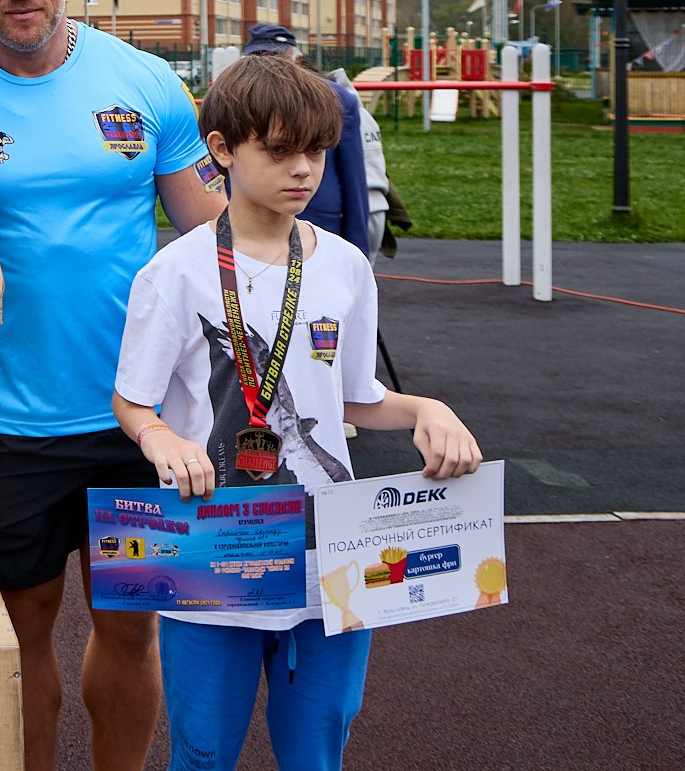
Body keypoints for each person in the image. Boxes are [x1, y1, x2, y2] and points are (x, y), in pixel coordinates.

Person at [111, 52, 482, 771]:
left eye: (316, 150)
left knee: (317, 752)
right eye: (280, 151)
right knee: (202, 753)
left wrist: (426, 409)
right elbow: (131, 399)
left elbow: (353, 396)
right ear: (221, 150)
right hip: (211, 547)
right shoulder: (174, 272)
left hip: (331, 555)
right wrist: (159, 437)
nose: (304, 170)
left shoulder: (346, 265)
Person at [0, 0, 225, 771]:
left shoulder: (145, 82)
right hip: (2, 423)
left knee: (131, 630)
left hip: (138, 422)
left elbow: (215, 240)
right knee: (18, 634)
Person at [242, 24, 371, 258]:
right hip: (251, 229)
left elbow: (354, 178)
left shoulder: (336, 99)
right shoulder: (238, 99)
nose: (269, 68)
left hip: (319, 220)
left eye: (277, 59)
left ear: (298, 61)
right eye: (259, 59)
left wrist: (358, 248)